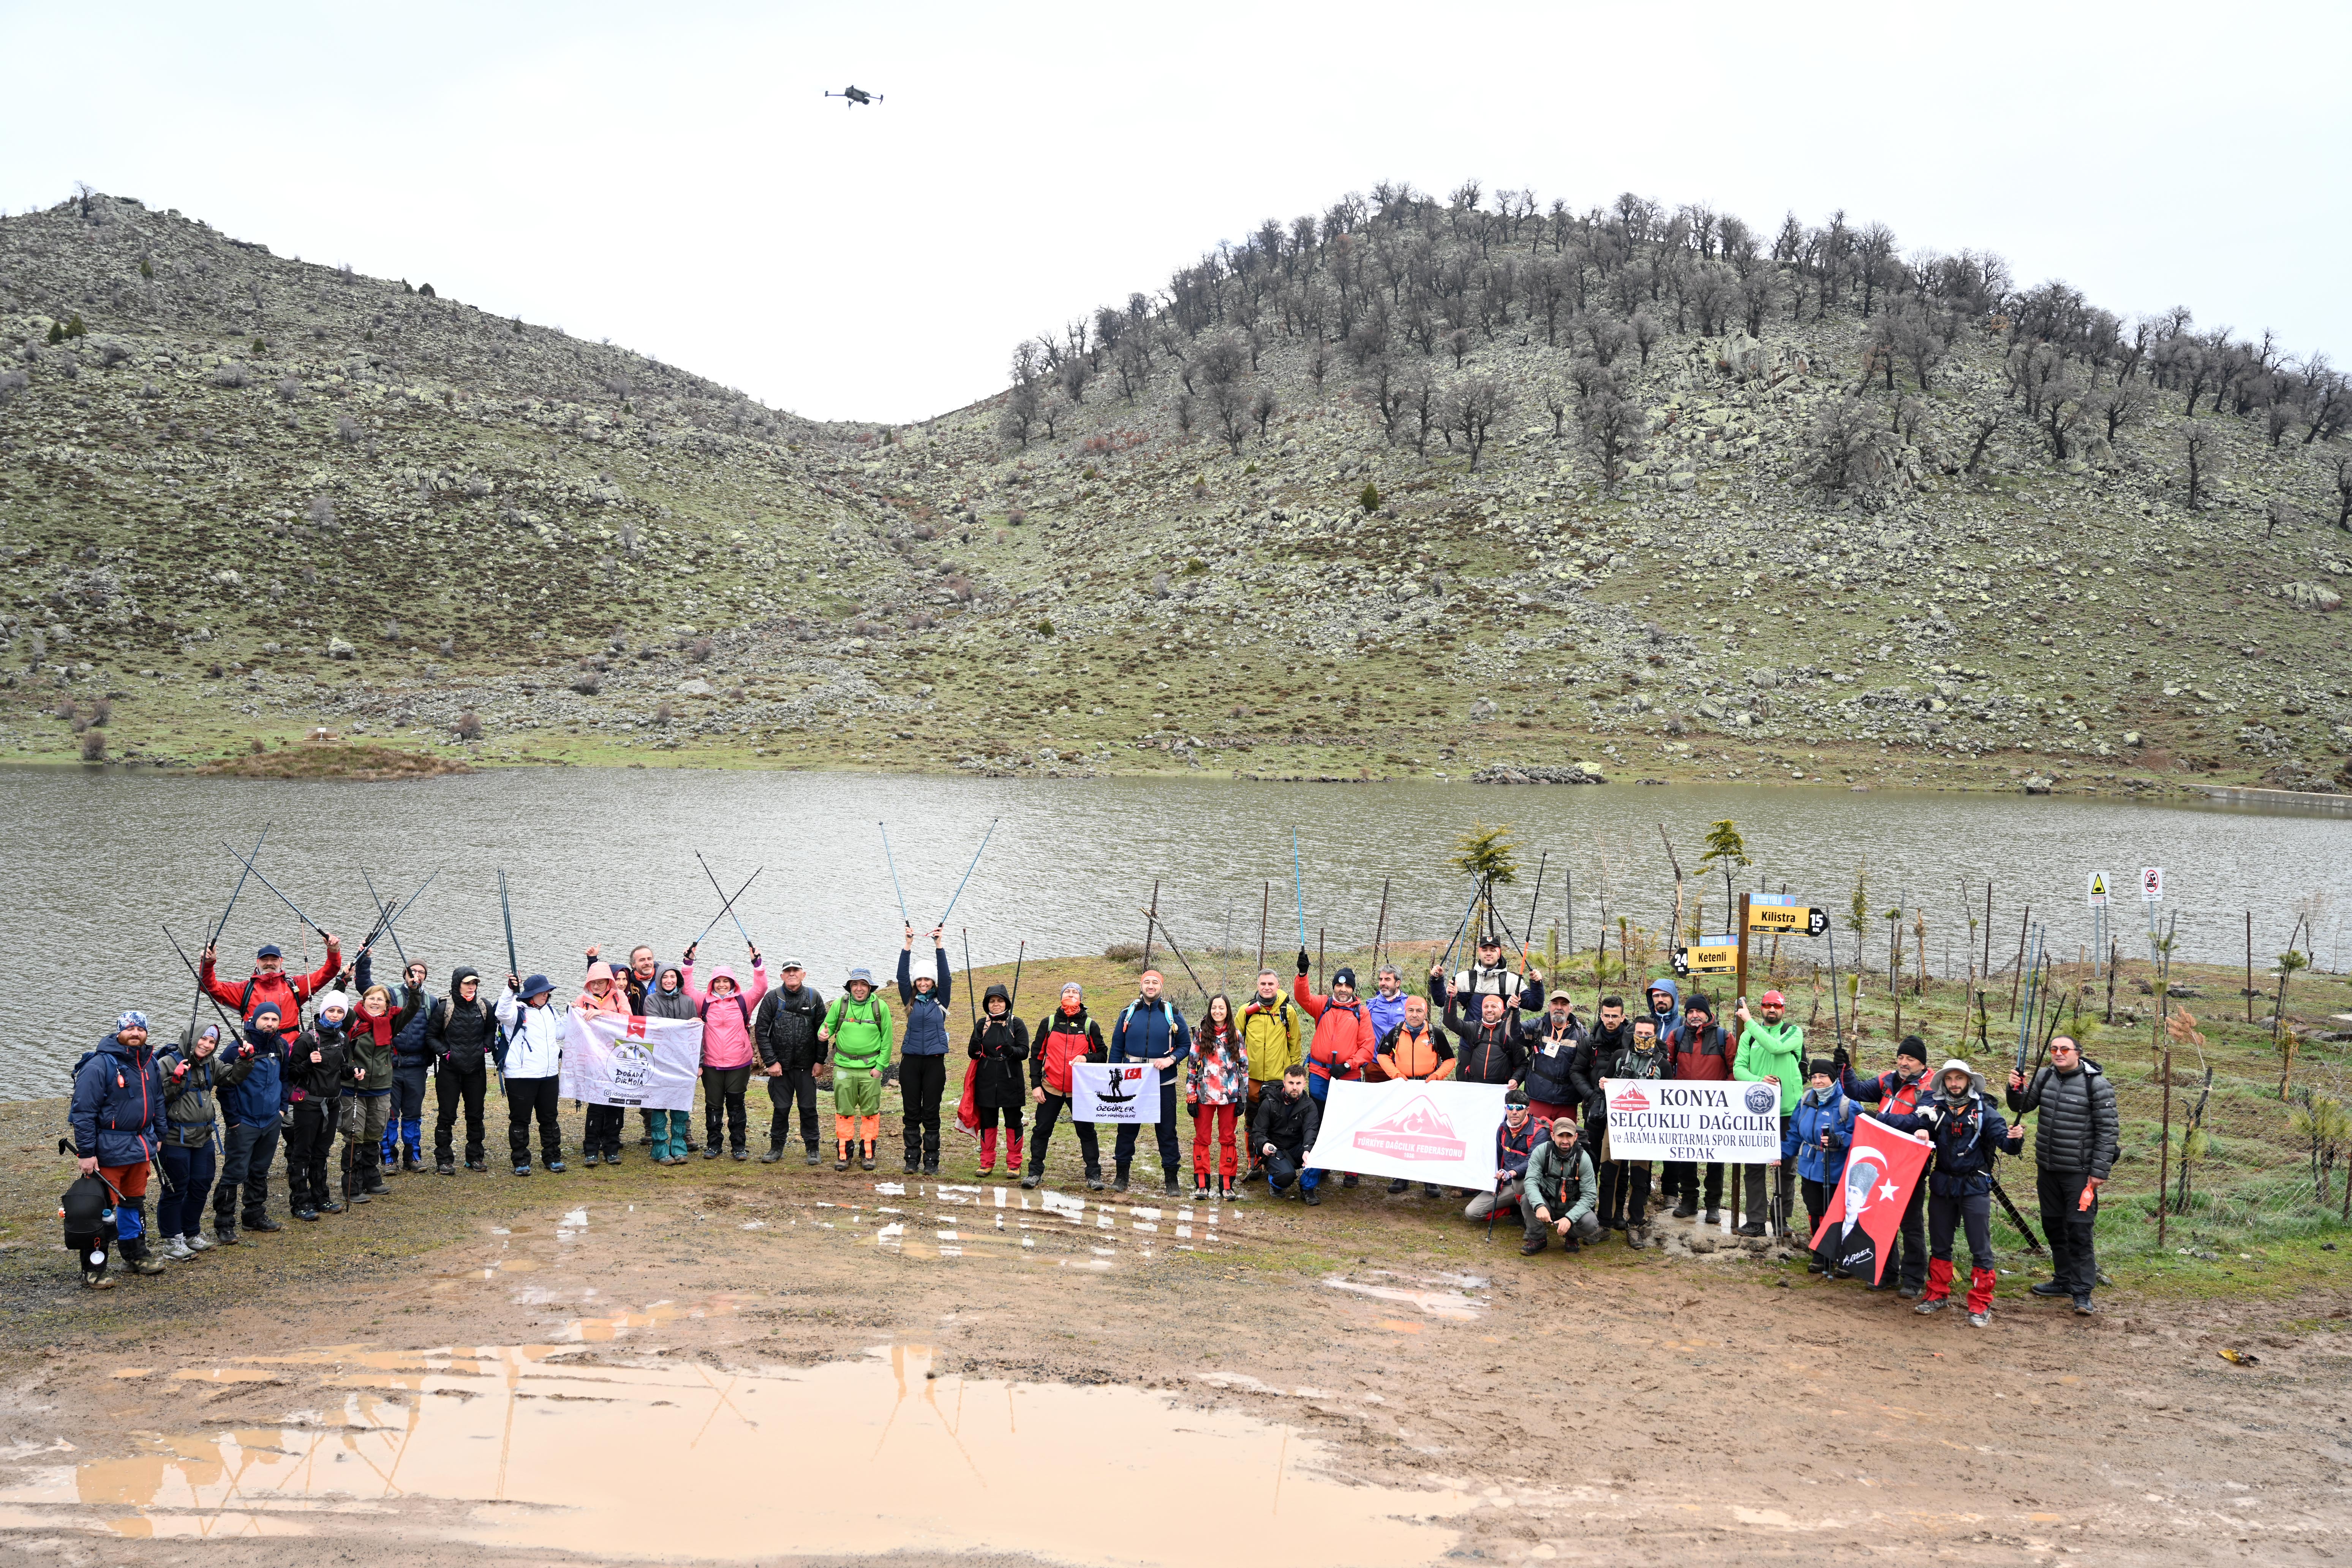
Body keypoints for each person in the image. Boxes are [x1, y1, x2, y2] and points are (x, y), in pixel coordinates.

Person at [1881, 1059, 2018, 1328]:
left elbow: (2008, 1146)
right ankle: (1937, 1294)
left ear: (1969, 1081)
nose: (1954, 1084)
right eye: (1949, 1079)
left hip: (1975, 1187)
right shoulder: (1935, 1109)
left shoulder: (1985, 1112)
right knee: (1940, 1244)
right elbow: (1917, 1127)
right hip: (1943, 1186)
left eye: (1959, 1078)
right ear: (1943, 1082)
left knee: (1980, 1248)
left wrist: (2015, 1138)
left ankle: (1980, 1303)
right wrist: (1920, 1129)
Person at [2007, 1034, 2120, 1315]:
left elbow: (2108, 1132)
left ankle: (2082, 1293)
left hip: (2080, 1173)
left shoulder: (2097, 1085)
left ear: (2077, 1053)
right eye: (2055, 1049)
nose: (2059, 1053)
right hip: (2048, 1168)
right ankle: (2063, 1281)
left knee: (2079, 1231)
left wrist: (2099, 1171)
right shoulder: (2045, 1076)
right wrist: (2015, 1088)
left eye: (2065, 1049)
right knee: (2054, 1227)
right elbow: (2022, 1107)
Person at [69, 1011, 168, 1283]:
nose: (136, 1034)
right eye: (130, 1029)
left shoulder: (150, 1063)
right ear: (119, 1032)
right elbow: (83, 1112)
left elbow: (158, 1100)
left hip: (140, 1145)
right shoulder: (99, 1065)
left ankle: (135, 1255)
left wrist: (160, 1134)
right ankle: (94, 1269)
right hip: (107, 1150)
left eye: (141, 1029)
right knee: (99, 1211)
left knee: (133, 1203)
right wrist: (87, 1153)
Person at [1843, 1035, 1932, 1296]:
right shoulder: (1888, 1079)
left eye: (1910, 1059)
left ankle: (1913, 1279)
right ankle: (1887, 1272)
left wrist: (1878, 1118)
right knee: (1882, 1218)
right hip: (1885, 1158)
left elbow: (1918, 1123)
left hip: (1911, 1163)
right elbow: (1856, 1092)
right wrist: (1845, 1069)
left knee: (1910, 1224)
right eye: (1901, 1057)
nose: (1904, 1063)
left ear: (1922, 1063)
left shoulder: (1930, 1087)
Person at [1293, 954, 1373, 1190]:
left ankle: (1351, 1170)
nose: (1343, 990)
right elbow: (1303, 998)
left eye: (1347, 986)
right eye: (1339, 985)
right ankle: (1322, 1163)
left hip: (1348, 1076)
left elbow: (1368, 1046)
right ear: (1334, 987)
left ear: (1353, 989)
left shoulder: (1361, 1012)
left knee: (1349, 1121)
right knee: (1318, 1119)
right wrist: (1302, 975)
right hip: (1320, 1073)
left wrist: (1349, 1065)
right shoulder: (1323, 1005)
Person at [1110, 969, 1192, 1196]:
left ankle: (1172, 1181)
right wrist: (1114, 1074)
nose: (1151, 986)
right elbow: (1117, 1048)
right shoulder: (1128, 1014)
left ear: (1161, 987)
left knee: (1167, 1131)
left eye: (1155, 982)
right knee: (1126, 1130)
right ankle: (1121, 1176)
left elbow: (1186, 1045)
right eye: (1147, 982)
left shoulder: (1173, 1014)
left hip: (1162, 1082)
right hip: (1132, 1081)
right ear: (1141, 986)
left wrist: (1171, 1059)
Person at [213, 999, 289, 1241]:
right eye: (265, 1018)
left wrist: (282, 1109)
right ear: (255, 1020)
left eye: (274, 1019)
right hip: (244, 1122)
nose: (270, 1023)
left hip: (271, 1120)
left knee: (260, 1170)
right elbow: (223, 1086)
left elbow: (286, 1079)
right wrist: (233, 1119)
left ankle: (254, 1216)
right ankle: (224, 1223)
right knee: (234, 1173)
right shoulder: (236, 1049)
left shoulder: (281, 1045)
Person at [1731, 989, 1804, 1237]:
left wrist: (1749, 1022)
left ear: (1784, 1010)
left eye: (1777, 1006)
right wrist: (1759, 1081)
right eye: (1767, 1005)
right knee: (1754, 1167)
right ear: (1762, 1008)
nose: (1772, 1010)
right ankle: (1755, 1221)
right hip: (1757, 1111)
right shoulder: (1748, 1037)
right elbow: (1739, 1069)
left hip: (1787, 1112)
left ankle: (1781, 1221)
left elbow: (1775, 1048)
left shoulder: (1793, 1032)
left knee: (1786, 1169)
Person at [686, 944, 768, 1162]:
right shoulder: (703, 1001)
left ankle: (739, 1147)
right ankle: (714, 1145)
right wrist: (688, 963)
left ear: (733, 983)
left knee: (736, 1105)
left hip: (739, 1063)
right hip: (711, 1064)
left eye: (726, 981)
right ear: (712, 984)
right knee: (713, 1106)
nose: (722, 985)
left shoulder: (744, 1001)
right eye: (718, 981)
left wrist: (757, 964)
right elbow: (687, 988)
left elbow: (761, 988)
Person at [155, 1024, 229, 1260]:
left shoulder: (211, 1064)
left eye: (212, 1042)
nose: (207, 1046)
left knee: (201, 1185)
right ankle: (171, 1241)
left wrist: (246, 1059)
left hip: (204, 1137)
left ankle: (191, 1233)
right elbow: (155, 1099)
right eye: (203, 1039)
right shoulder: (166, 1063)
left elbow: (233, 1077)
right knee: (176, 1188)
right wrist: (175, 1080)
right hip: (174, 1138)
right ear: (192, 1039)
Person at [1026, 982, 1106, 1190]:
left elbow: (1102, 1055)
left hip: (1079, 1091)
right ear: (1061, 997)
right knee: (1042, 1130)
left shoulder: (1089, 1026)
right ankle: (1034, 1173)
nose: (1071, 995)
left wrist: (1087, 1058)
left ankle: (1094, 1176)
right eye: (1067, 992)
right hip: (1050, 1088)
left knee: (1087, 1132)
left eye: (1075, 992)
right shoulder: (1049, 1023)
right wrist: (1036, 1085)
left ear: (1081, 999)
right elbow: (1036, 1056)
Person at [341, 983, 418, 1199]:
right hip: (354, 1087)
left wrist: (414, 990)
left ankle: (372, 1180)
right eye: (371, 998)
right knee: (355, 1136)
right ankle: (352, 1187)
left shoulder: (391, 1022)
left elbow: (413, 1009)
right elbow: (336, 1002)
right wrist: (343, 980)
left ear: (387, 1005)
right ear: (364, 1000)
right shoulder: (352, 1018)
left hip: (381, 1087)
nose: (375, 1002)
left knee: (374, 1134)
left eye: (380, 999)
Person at [1374, 990, 1453, 1197]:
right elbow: (1382, 1055)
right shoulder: (1396, 1032)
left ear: (1425, 1014)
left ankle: (1430, 1179)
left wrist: (1437, 1076)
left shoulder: (1436, 1034)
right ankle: (1401, 1177)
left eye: (1419, 1011)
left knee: (1429, 1133)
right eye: (1411, 1010)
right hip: (1403, 1088)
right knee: (1402, 1132)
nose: (1415, 1015)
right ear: (1405, 1012)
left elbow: (1451, 1059)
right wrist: (1396, 1075)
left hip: (1428, 1088)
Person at [1663, 993, 1733, 1223]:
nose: (1695, 1016)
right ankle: (1689, 1201)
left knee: (1716, 1158)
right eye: (1690, 1012)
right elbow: (1667, 1067)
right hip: (1684, 1108)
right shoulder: (1677, 1035)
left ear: (1708, 1013)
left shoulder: (1724, 1037)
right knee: (1686, 1154)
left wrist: (1725, 1098)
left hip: (1715, 1111)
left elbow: (1734, 1069)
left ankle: (1713, 1205)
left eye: (1699, 1011)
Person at [1598, 1016, 1666, 1247]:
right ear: (1632, 1033)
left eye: (1648, 1034)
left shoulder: (1662, 1065)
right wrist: (1603, 1084)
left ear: (1655, 1036)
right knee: (1608, 1175)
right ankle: (1604, 1223)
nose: (1643, 1038)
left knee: (1640, 1179)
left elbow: (1669, 1099)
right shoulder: (1619, 1057)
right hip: (1616, 1125)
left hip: (1646, 1131)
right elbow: (1605, 1082)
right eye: (1640, 1033)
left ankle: (1635, 1225)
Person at [753, 959, 827, 1166]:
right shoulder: (772, 998)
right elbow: (761, 1032)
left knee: (809, 1109)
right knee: (781, 1108)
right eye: (788, 972)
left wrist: (820, 1061)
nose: (792, 974)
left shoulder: (814, 997)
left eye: (796, 971)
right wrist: (771, 1062)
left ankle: (813, 1149)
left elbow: (823, 1032)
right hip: (781, 1068)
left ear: (804, 975)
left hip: (807, 1067)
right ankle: (776, 1148)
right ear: (782, 976)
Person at [1786, 1058, 1856, 1272]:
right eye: (1814, 1077)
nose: (1817, 1081)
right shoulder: (1805, 1101)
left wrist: (1840, 1139)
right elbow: (1795, 1133)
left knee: (1838, 1213)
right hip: (1810, 1167)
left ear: (1833, 1078)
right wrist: (1781, 1154)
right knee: (1815, 1211)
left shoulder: (1848, 1105)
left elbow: (1861, 1136)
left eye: (1823, 1076)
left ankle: (1844, 1257)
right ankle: (1821, 1254)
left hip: (1836, 1169)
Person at [820, 966, 893, 1172]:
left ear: (870, 988)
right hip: (843, 1068)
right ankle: (844, 1154)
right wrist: (822, 1034)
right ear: (850, 987)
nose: (859, 989)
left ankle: (868, 1154)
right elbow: (827, 1027)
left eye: (863, 985)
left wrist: (880, 1067)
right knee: (844, 1112)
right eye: (855, 984)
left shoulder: (881, 1007)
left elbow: (887, 1041)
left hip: (871, 1070)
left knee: (870, 1112)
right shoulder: (840, 1004)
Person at [427, 967, 499, 1175]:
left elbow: (490, 1031)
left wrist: (485, 1048)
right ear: (457, 985)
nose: (471, 987)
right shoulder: (444, 1008)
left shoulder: (484, 1006)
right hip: (449, 1071)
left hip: (476, 1071)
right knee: (447, 1116)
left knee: (476, 1115)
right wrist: (446, 1054)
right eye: (467, 983)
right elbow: (431, 1037)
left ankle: (475, 1157)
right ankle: (444, 1159)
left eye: (474, 983)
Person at [895, 925, 953, 1176]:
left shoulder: (941, 1000)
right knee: (911, 1112)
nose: (923, 983)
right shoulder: (909, 1000)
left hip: (934, 1063)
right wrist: (908, 945)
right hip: (910, 1062)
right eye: (919, 980)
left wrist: (939, 945)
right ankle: (911, 1159)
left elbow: (947, 977)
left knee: (931, 1112)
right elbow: (901, 977)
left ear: (933, 982)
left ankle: (932, 1161)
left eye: (927, 980)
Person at [496, 973, 566, 1175]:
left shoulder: (551, 1011)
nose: (546, 995)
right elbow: (501, 1013)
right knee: (520, 1120)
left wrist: (572, 1014)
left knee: (550, 1119)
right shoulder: (516, 1011)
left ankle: (553, 1158)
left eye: (548, 991)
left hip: (549, 1075)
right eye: (541, 992)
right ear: (530, 994)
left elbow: (561, 1033)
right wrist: (510, 989)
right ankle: (521, 1161)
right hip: (521, 1076)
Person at [283, 999, 347, 1220]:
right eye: (331, 1011)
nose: (335, 1015)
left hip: (333, 1104)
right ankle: (300, 1202)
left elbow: (343, 1068)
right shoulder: (307, 1039)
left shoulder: (342, 1037)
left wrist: (354, 1071)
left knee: (322, 1152)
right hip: (309, 1105)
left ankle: (321, 1197)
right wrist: (309, 1063)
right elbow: (291, 1073)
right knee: (302, 1153)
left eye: (340, 1012)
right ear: (323, 1012)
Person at [200, 934, 341, 1028]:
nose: (269, 964)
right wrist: (208, 963)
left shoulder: (296, 986)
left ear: (281, 962)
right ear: (257, 963)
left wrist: (334, 951)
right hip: (255, 1053)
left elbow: (328, 973)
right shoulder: (244, 990)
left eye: (274, 959)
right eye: (264, 960)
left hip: (290, 1052)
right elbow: (208, 986)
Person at [1184, 994, 1247, 1200]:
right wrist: (1191, 1095)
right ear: (1210, 1010)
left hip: (1230, 1097)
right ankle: (1202, 1185)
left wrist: (1243, 1097)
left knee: (1228, 1139)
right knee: (1202, 1139)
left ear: (1228, 1011)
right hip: (1205, 1097)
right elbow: (1192, 1067)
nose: (1217, 1011)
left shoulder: (1236, 1035)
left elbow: (1244, 1067)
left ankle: (1227, 1185)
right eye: (1214, 1008)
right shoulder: (1201, 1035)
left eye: (1222, 1008)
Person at [1237, 971, 1301, 1170]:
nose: (1267, 988)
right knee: (1252, 1120)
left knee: (1275, 1122)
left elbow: (1295, 1045)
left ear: (1278, 986)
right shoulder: (1246, 1011)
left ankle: (1272, 1162)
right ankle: (1253, 1162)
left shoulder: (1287, 1012)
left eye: (1271, 984)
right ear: (1258, 985)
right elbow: (1234, 1042)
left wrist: (1294, 1076)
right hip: (1251, 1078)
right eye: (1263, 984)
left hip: (1277, 1078)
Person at [573, 961, 632, 1167]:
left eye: (601, 982)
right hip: (593, 1060)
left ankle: (612, 1149)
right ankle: (591, 1150)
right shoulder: (582, 1000)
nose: (597, 986)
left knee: (615, 1105)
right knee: (596, 1106)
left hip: (617, 1059)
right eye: (593, 983)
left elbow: (629, 1020)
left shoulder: (619, 997)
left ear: (609, 982)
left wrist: (602, 1013)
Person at [967, 983, 1029, 1178]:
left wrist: (1011, 1051)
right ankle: (986, 1163)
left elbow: (1024, 1052)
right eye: (992, 1001)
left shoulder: (1017, 1024)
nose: (996, 1004)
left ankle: (1014, 1164)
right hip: (986, 1081)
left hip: (1011, 1081)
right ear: (987, 1004)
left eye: (1000, 1001)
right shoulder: (981, 1025)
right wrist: (975, 1047)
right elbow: (973, 1054)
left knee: (1013, 1122)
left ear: (1006, 1003)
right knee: (988, 1122)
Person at [1519, 1114, 1601, 1257]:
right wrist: (1539, 1205)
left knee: (1591, 1222)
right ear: (1553, 1136)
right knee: (1526, 1200)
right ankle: (1538, 1238)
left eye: (1569, 1136)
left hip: (1572, 1205)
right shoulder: (1541, 1152)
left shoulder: (1584, 1159)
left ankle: (1570, 1235)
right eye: (1560, 1136)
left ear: (1575, 1137)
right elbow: (1531, 1181)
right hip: (1547, 1203)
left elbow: (1589, 1195)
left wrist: (1570, 1218)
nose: (1565, 1141)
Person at [643, 963, 701, 1164]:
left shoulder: (688, 1001)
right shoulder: (651, 1001)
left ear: (679, 979)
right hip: (659, 1061)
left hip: (684, 1062)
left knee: (680, 1106)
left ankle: (679, 1147)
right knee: (658, 1105)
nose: (669, 981)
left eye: (673, 977)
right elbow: (657, 1027)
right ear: (659, 980)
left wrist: (699, 1062)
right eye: (665, 977)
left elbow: (696, 1035)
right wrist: (687, 1025)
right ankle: (660, 1148)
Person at [1251, 1063, 1322, 1204]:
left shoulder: (1309, 1105)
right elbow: (1258, 1131)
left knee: (1319, 1152)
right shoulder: (1269, 1102)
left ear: (1304, 1084)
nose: (1295, 1087)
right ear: (1284, 1083)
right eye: (1291, 1083)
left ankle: (1307, 1188)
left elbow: (1311, 1130)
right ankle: (1275, 1183)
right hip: (1275, 1150)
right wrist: (1265, 1144)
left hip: (1298, 1148)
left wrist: (1308, 1150)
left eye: (1298, 1083)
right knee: (1286, 1177)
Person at [1466, 1089, 1537, 1224]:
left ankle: (1529, 1215)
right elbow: (1498, 1158)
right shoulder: (1502, 1129)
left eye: (1519, 1108)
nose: (1514, 1112)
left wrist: (1511, 1173)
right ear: (1506, 1109)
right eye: (1510, 1107)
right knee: (1472, 1213)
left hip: (1529, 1185)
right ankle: (1516, 1210)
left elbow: (1533, 1162)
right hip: (1507, 1184)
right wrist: (1494, 1183)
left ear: (1527, 1110)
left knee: (1523, 1188)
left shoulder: (1539, 1132)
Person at [1521, 991, 1585, 1126]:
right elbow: (1514, 1033)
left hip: (1567, 1101)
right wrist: (1513, 1010)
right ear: (1549, 1007)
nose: (1559, 1008)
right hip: (1538, 1097)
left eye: (1564, 1004)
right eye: (1555, 1004)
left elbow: (1587, 1066)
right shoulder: (1537, 1026)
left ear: (1571, 1009)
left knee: (1565, 1138)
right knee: (1536, 1136)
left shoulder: (1580, 1033)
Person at [1448, 931, 1540, 1013]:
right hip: (1470, 1028)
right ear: (1479, 954)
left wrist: (1536, 983)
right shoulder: (1463, 978)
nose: (1489, 953)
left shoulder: (1513, 981)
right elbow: (1441, 1001)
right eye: (1484, 950)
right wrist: (1439, 980)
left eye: (1493, 950)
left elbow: (1535, 1005)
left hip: (1502, 1028)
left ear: (1499, 954)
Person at [1364, 963, 1411, 1044]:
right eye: (1381, 979)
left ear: (1398, 983)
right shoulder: (1372, 1004)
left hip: (1399, 1052)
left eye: (1387, 980)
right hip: (1376, 1052)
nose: (1382, 983)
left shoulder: (1408, 1004)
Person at [1643, 975, 1682, 1042]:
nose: (1660, 1000)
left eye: (1665, 995)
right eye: (1656, 996)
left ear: (1673, 998)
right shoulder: (1643, 1023)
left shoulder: (1683, 1025)